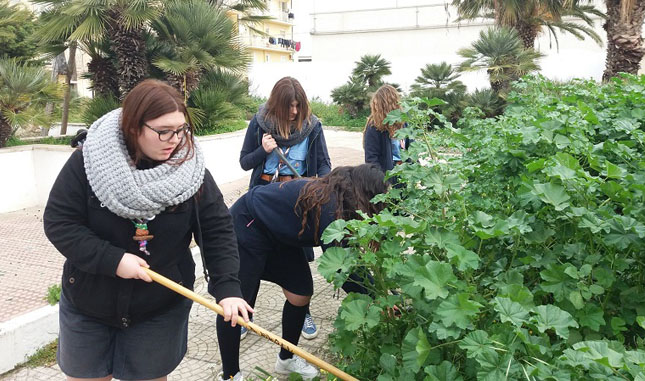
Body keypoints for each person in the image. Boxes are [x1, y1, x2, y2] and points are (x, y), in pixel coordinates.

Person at [43, 79, 252, 381]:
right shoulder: (87, 163)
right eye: (163, 131)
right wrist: (113, 260)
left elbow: (217, 229)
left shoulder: (190, 171)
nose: (175, 140)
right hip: (90, 300)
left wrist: (228, 288)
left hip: (159, 305)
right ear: (133, 127)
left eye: (181, 129)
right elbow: (59, 222)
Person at [216, 164, 388, 381]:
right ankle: (231, 375)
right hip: (248, 224)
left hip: (279, 234)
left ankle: (286, 360)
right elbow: (341, 267)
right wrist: (379, 299)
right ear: (364, 192)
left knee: (300, 293)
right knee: (236, 305)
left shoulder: (343, 203)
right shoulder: (331, 206)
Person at [239, 76, 331, 340]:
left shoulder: (313, 127)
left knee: (298, 256)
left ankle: (303, 312)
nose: (294, 112)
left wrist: (319, 184)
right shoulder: (260, 125)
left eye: (298, 106)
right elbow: (245, 162)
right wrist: (263, 151)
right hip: (263, 199)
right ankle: (246, 313)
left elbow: (324, 164)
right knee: (253, 256)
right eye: (289, 106)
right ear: (276, 105)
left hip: (298, 200)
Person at [363, 84, 410, 174]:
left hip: (405, 174)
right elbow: (371, 160)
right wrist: (381, 182)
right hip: (386, 176)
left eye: (377, 105)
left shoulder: (403, 122)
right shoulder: (374, 126)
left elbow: (412, 150)